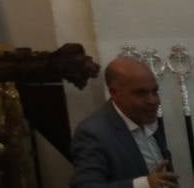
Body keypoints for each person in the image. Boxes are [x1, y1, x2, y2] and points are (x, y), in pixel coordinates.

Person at [70, 57, 176, 187]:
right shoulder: (92, 133)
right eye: (141, 93)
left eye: (154, 91)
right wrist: (144, 184)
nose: (153, 101)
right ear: (114, 92)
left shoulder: (147, 119)